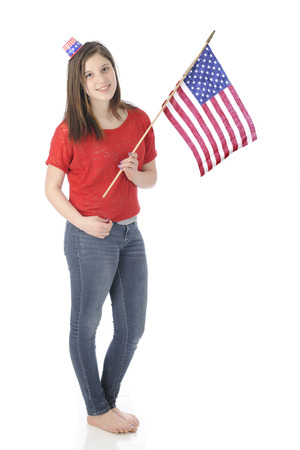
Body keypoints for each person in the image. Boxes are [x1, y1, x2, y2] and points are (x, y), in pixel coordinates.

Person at [45, 38, 157, 434]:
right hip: (88, 240)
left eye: (104, 69)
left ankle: (102, 403)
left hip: (131, 235)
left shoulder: (140, 120)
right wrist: (83, 222)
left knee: (132, 327)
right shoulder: (69, 131)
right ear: (80, 83)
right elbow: (51, 189)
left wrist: (132, 174)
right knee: (86, 326)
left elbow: (152, 177)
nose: (99, 79)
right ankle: (98, 407)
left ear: (114, 69)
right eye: (89, 74)